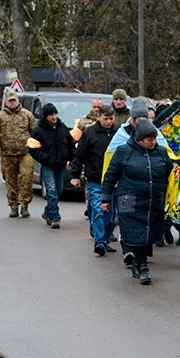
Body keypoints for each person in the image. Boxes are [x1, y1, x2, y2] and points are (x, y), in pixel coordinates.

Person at [101, 119, 173, 285]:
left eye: (154, 138)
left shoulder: (161, 152)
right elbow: (111, 175)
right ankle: (142, 267)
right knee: (136, 233)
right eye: (149, 139)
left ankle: (136, 262)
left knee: (150, 233)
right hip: (129, 199)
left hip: (153, 200)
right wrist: (105, 198)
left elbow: (168, 170)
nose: (153, 142)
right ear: (139, 139)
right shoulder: (124, 151)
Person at [69, 104, 119, 255]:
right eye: (105, 119)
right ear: (98, 117)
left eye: (111, 119)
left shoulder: (118, 133)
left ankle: (105, 236)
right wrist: (75, 175)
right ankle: (100, 242)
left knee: (111, 216)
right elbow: (79, 155)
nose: (108, 122)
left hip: (114, 181)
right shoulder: (90, 132)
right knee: (98, 211)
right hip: (95, 180)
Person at [0, 91, 37, 218]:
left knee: (26, 179)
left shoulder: (27, 115)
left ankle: (25, 205)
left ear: (18, 101)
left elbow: (35, 133)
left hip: (25, 153)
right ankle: (13, 206)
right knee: (11, 181)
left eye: (14, 100)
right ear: (6, 102)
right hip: (7, 155)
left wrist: (36, 148)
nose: (12, 103)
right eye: (10, 101)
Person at [29, 103, 75, 228]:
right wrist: (44, 158)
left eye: (55, 114)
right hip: (47, 166)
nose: (54, 117)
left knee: (58, 191)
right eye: (51, 115)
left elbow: (70, 144)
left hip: (61, 165)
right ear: (45, 116)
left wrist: (71, 158)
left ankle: (47, 211)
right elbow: (32, 148)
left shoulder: (62, 127)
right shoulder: (38, 130)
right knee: (52, 191)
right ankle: (55, 217)